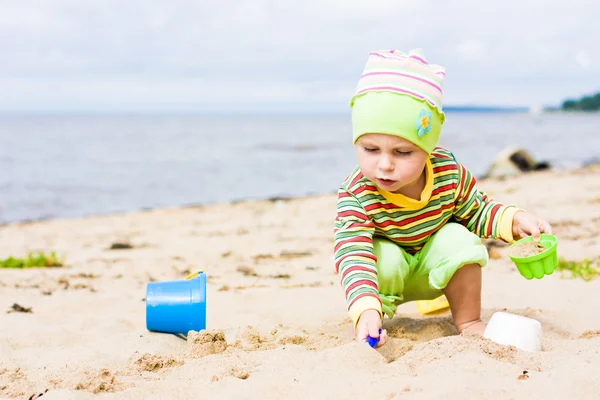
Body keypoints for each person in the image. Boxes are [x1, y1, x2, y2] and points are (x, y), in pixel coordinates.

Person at [333, 48, 552, 347]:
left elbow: (478, 210)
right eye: (371, 149)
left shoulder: (447, 172)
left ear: (428, 149)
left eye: (403, 152)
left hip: (437, 268)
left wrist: (514, 221)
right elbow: (352, 252)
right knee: (381, 257)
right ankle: (374, 321)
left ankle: (468, 320)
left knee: (458, 237)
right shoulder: (356, 193)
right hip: (386, 279)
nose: (384, 164)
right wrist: (365, 306)